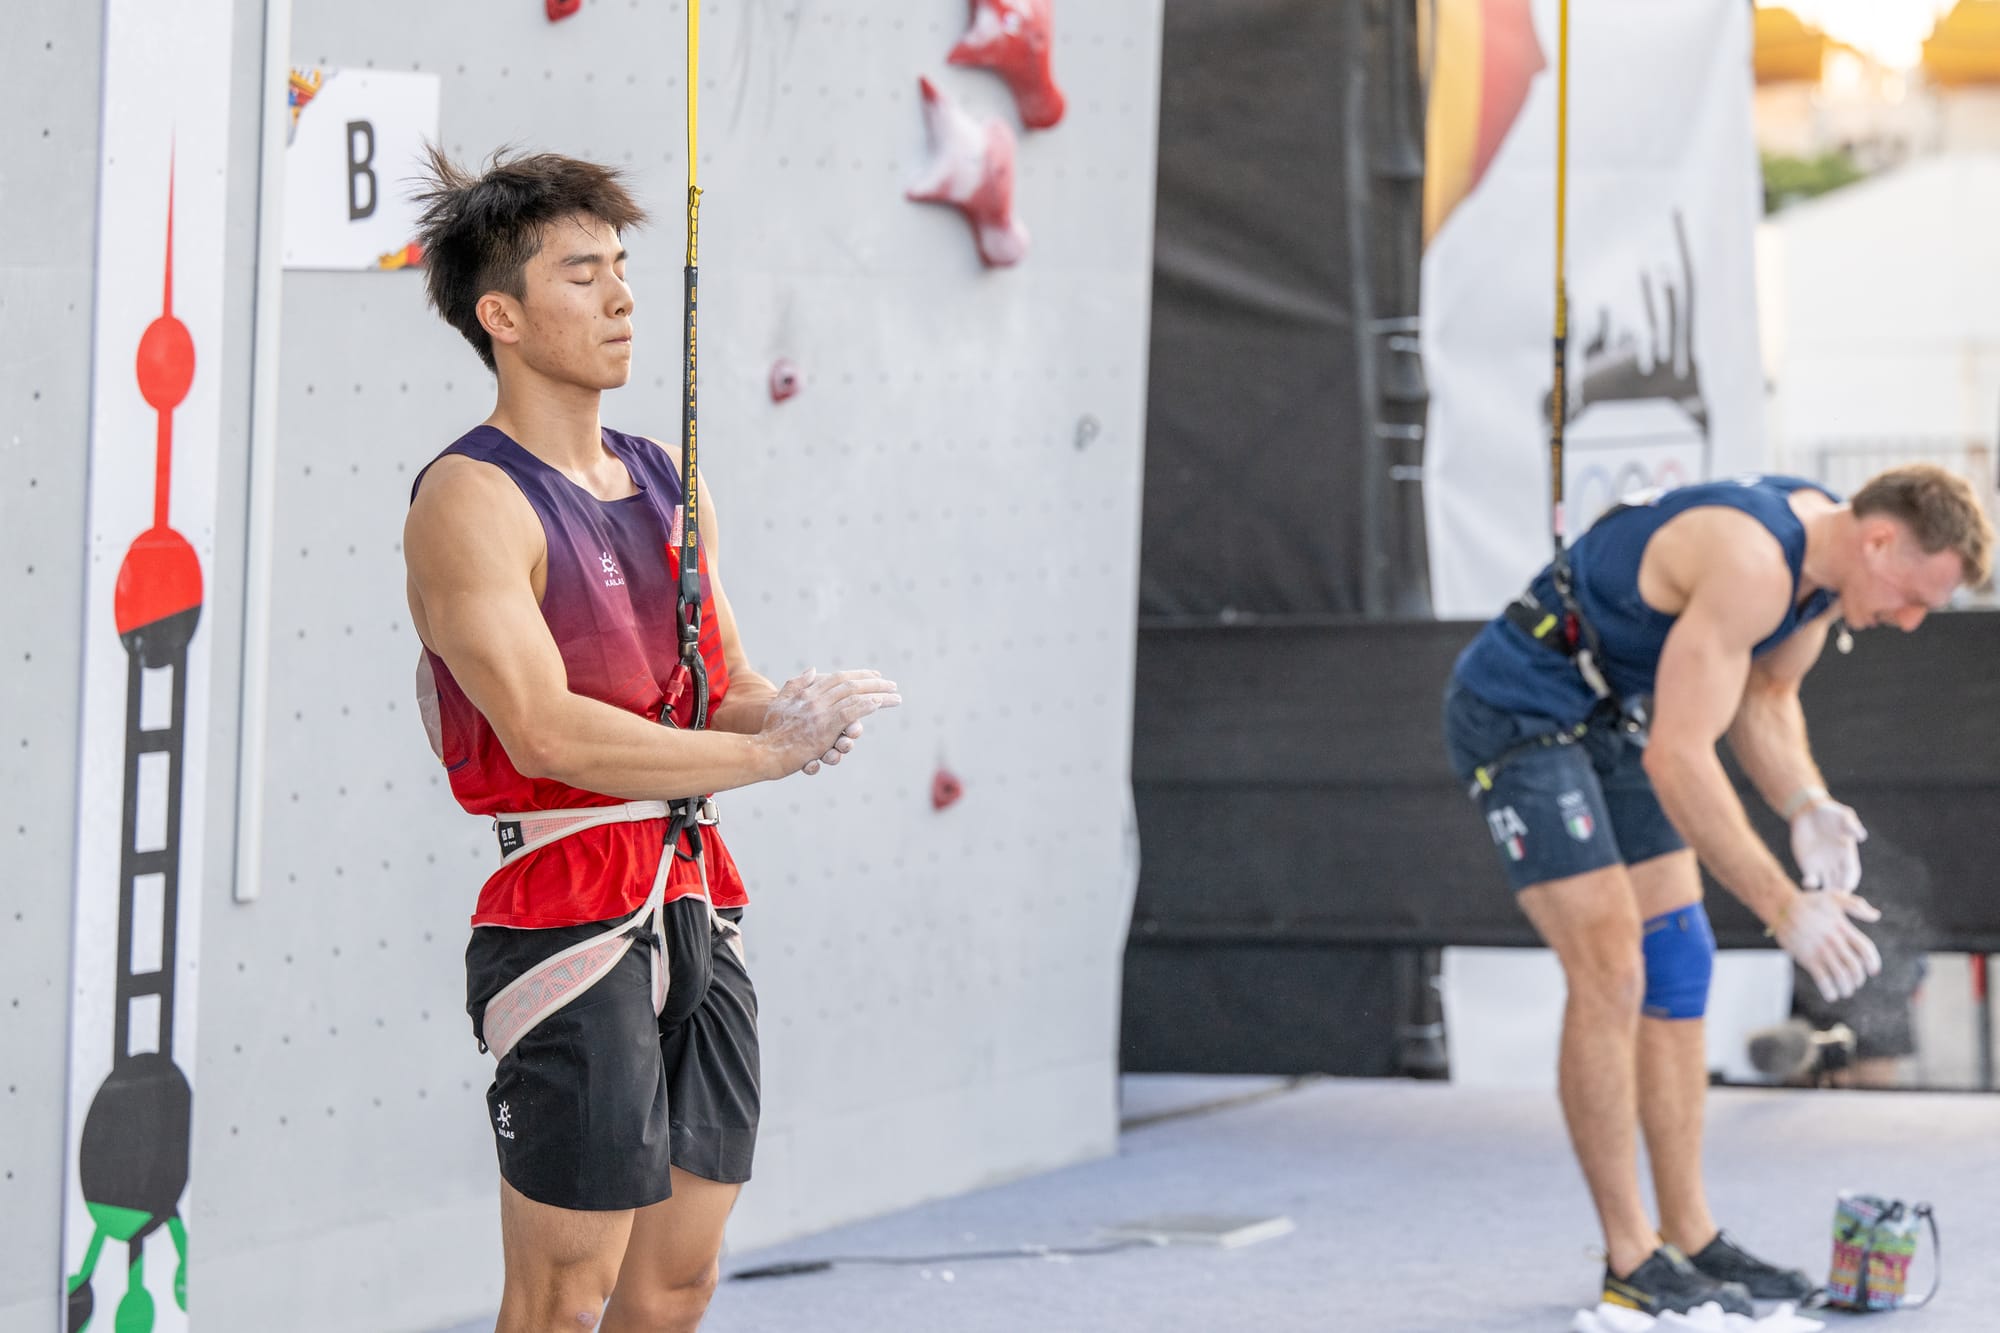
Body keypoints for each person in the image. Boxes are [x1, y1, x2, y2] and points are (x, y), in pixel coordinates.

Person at [401, 147, 900, 1333]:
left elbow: (719, 685)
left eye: (624, 267)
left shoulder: (669, 479)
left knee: (676, 1280)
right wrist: (763, 756)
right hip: (564, 908)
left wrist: (794, 710)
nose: (623, 296)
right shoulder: (469, 497)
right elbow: (546, 728)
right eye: (583, 274)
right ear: (502, 315)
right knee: (564, 1296)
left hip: (692, 897)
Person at [1441, 466, 1992, 1316]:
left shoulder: (1819, 583)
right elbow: (1679, 757)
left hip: (1613, 710)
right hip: (1521, 701)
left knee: (1679, 957)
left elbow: (1765, 701)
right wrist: (1783, 906)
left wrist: (1807, 805)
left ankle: (1690, 1237)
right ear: (1879, 539)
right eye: (1913, 597)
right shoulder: (1753, 560)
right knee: (1611, 967)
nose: (1911, 622)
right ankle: (1631, 1255)